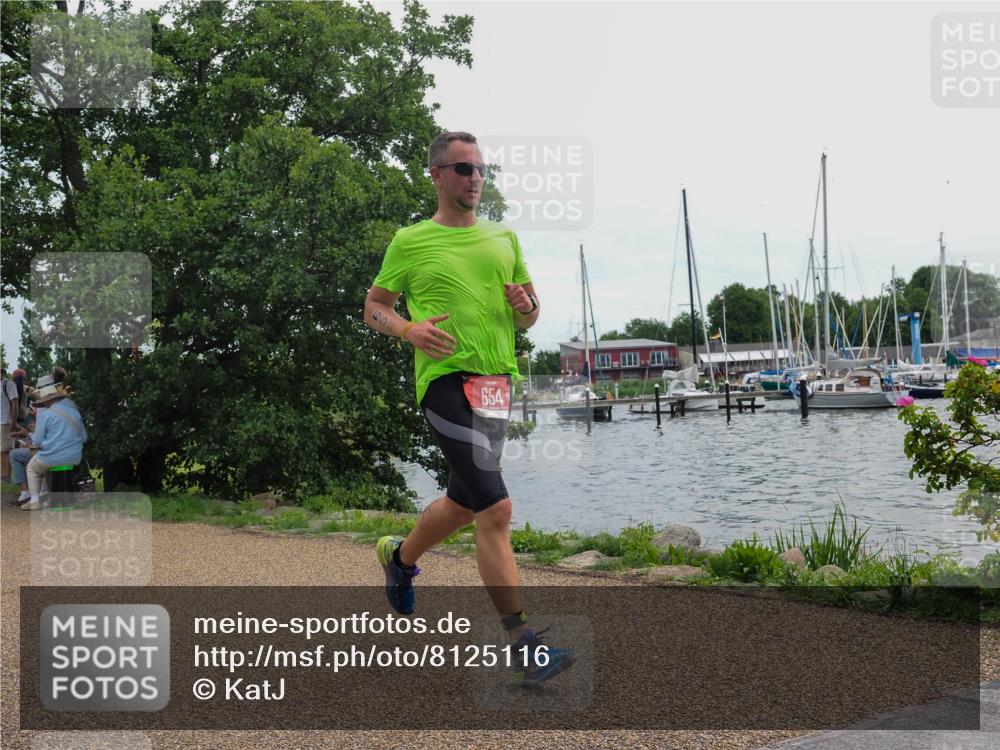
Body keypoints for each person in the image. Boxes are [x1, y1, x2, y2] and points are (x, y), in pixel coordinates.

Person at [364, 131, 574, 686]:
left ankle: (400, 558)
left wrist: (527, 306)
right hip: (444, 381)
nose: (475, 177)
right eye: (462, 168)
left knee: (463, 504)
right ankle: (524, 645)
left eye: (481, 169)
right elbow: (374, 308)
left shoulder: (504, 237)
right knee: (496, 508)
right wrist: (408, 329)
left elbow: (530, 314)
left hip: (495, 381)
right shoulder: (411, 240)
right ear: (435, 174)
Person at [10, 381, 87, 510]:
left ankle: (34, 501)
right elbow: (84, 438)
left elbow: (38, 442)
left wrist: (28, 435)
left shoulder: (45, 414)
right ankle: (51, 498)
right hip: (75, 457)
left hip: (54, 457)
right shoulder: (74, 413)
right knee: (45, 463)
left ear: (45, 401)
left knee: (32, 468)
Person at [0, 366, 19, 481]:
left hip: (5, 421)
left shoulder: (8, 384)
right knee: (1, 450)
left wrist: (14, 422)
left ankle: (5, 477)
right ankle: (3, 476)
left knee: (5, 450)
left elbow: (15, 402)